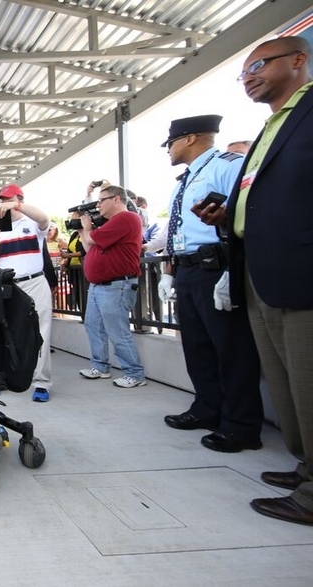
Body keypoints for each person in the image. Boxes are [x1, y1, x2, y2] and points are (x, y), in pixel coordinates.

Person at [196, 36, 313, 526]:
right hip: (261, 273)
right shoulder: (270, 128)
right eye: (242, 72)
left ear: (298, 61)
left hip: (300, 273)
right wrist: (227, 216)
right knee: (288, 384)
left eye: (258, 66)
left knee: (308, 381)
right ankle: (306, 467)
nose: (248, 77)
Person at [155, 114, 263, 454]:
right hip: (189, 270)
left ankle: (241, 425)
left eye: (171, 142)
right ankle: (207, 408)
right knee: (198, 348)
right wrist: (170, 272)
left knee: (232, 348)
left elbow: (249, 214)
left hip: (217, 265)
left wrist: (234, 267)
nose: (168, 149)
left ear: (189, 139)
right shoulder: (185, 180)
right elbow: (178, 231)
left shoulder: (229, 165)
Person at [0, 183, 53, 403]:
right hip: (10, 285)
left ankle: (41, 382)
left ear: (18, 200)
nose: (1, 204)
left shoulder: (32, 223)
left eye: (6, 199)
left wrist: (17, 204)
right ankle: (3, 377)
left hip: (34, 282)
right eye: (0, 200)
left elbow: (44, 218)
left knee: (41, 331)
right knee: (5, 332)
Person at [76, 184, 146, 388]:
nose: (98, 206)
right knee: (93, 326)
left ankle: (134, 373)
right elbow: (89, 246)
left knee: (118, 331)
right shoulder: (111, 223)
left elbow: (91, 237)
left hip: (116, 285)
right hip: (100, 286)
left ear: (116, 199)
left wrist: (87, 228)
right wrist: (82, 230)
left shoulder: (126, 218)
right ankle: (100, 366)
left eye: (101, 201)